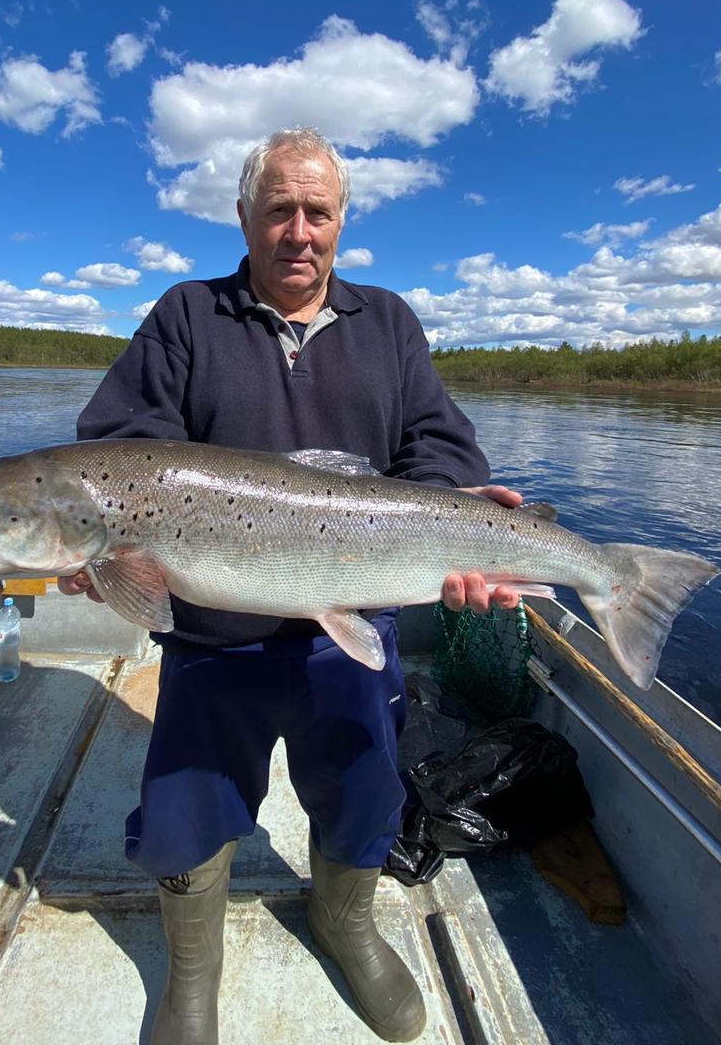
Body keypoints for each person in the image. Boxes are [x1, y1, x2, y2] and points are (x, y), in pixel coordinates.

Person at [62, 128, 521, 1044]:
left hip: (348, 632)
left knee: (363, 790)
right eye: (279, 210)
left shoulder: (388, 323)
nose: (299, 232)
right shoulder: (186, 315)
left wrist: (453, 523)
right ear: (244, 218)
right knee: (184, 806)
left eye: (318, 212)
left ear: (343, 221)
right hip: (212, 636)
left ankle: (346, 923)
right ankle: (194, 973)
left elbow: (435, 448)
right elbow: (118, 448)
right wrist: (105, 548)